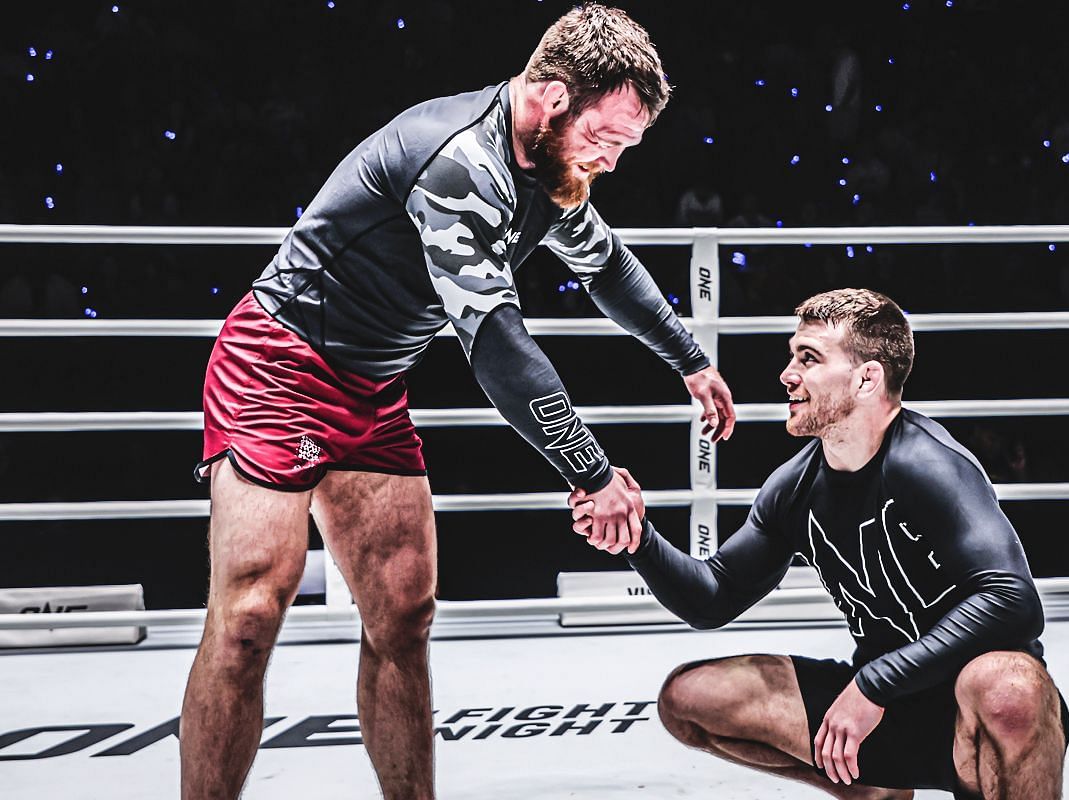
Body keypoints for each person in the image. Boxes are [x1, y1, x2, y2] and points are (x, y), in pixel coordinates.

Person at [180, 5, 735, 798]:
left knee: (404, 617)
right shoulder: (458, 162)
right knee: (247, 620)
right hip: (280, 366)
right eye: (604, 139)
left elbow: (608, 268)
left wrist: (690, 360)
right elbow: (500, 346)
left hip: (371, 383)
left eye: (623, 147)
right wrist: (591, 470)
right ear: (549, 98)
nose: (609, 162)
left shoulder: (553, 167)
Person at [571, 288, 1069, 800]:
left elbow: (1012, 600)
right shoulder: (794, 488)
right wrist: (638, 540)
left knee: (1008, 685)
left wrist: (876, 683)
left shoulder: (930, 466)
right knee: (688, 697)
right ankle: (869, 786)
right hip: (879, 711)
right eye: (792, 357)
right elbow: (713, 595)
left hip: (973, 715)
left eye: (808, 359)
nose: (787, 375)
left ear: (867, 377)